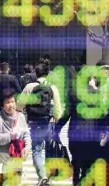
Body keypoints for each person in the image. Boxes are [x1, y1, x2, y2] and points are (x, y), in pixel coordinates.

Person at [17, 58, 63, 186]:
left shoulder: (29, 87)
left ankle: (42, 176)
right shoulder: (52, 88)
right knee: (49, 149)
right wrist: (55, 120)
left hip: (34, 123)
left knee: (36, 150)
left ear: (35, 74)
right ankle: (48, 175)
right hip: (49, 123)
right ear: (47, 74)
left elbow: (19, 106)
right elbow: (58, 110)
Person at [0, 88, 31, 186]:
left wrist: (27, 147)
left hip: (15, 157)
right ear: (2, 106)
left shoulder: (21, 117)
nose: (10, 105)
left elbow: (26, 134)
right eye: (7, 102)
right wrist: (9, 136)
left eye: (12, 101)